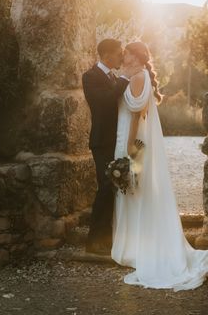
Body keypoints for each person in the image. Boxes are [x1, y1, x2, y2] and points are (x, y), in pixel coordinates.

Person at [111, 41, 208, 291]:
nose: (123, 55)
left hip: (132, 137)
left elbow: (137, 112)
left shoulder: (138, 76)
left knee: (134, 188)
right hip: (128, 134)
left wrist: (130, 145)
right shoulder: (136, 75)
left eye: (126, 52)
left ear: (135, 57)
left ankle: (136, 247)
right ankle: (133, 244)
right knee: (131, 188)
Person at [81, 39, 138, 255]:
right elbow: (104, 101)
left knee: (113, 186)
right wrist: (124, 78)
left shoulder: (112, 77)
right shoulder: (90, 77)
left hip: (116, 140)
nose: (122, 56)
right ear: (107, 56)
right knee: (105, 185)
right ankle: (93, 241)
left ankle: (107, 238)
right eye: (118, 53)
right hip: (101, 141)